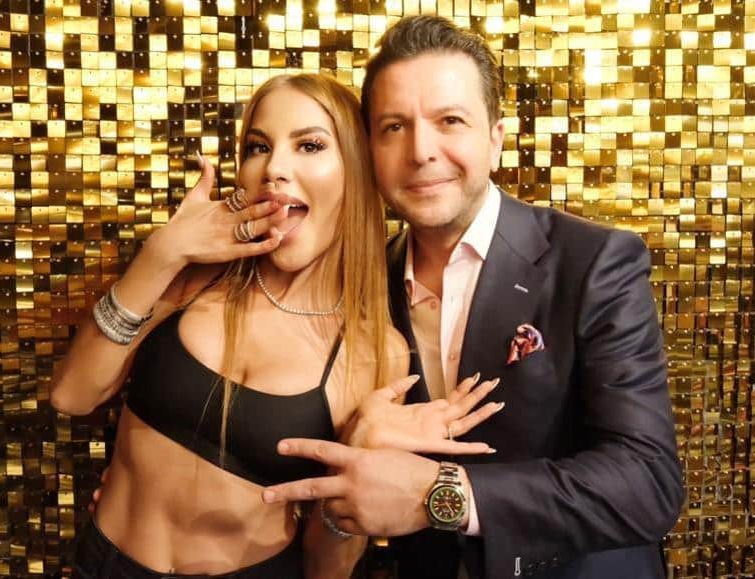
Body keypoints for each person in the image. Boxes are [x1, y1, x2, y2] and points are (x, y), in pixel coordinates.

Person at [261, 15, 685, 579]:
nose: (420, 151)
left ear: (495, 139)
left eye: (450, 121)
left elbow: (647, 482)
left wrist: (444, 495)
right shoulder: (359, 283)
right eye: (393, 126)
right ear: (369, 150)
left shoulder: (595, 262)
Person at [51, 72, 502, 579]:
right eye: (258, 147)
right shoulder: (193, 275)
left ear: (356, 173)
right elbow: (72, 396)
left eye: (310, 145)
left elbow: (327, 570)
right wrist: (163, 252)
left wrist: (360, 450)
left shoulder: (376, 351)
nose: (274, 169)